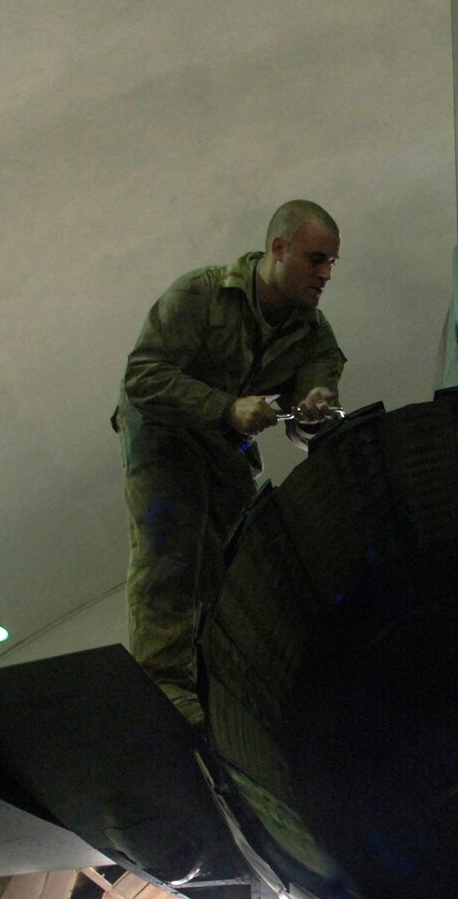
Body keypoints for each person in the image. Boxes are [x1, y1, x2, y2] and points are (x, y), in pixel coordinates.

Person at [117, 199, 347, 726]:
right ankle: (162, 686)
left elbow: (313, 411)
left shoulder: (314, 332)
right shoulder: (200, 295)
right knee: (171, 544)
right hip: (161, 428)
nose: (326, 274)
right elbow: (142, 378)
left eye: (333, 262)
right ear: (279, 249)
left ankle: (208, 688)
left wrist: (312, 412)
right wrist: (225, 407)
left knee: (237, 558)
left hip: (223, 440)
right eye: (317, 259)